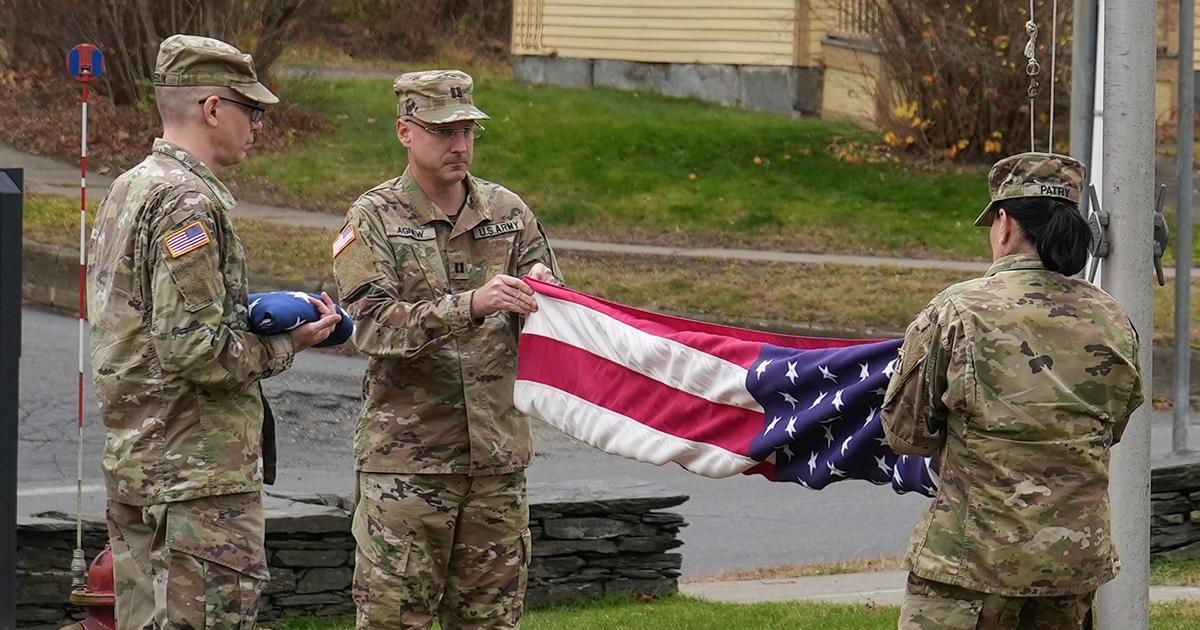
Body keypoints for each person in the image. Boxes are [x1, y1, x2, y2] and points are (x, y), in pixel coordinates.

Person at [87, 34, 342, 628]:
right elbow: (194, 352)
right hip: (194, 477)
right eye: (250, 110)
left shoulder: (129, 188)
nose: (258, 125)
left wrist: (248, 309)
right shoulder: (187, 204)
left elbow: (144, 321)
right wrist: (289, 342)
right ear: (211, 108)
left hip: (139, 466)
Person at [332, 69, 560, 629]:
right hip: (409, 467)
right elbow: (372, 327)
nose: (460, 145)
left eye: (468, 131)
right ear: (405, 132)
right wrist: (470, 306)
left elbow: (553, 315)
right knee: (394, 620)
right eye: (443, 131)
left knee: (490, 621)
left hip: (496, 465)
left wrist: (545, 290)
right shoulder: (371, 218)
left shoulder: (508, 212)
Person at [879, 152, 1145, 630]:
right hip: (1070, 569)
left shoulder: (958, 311)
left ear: (1004, 224)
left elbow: (906, 433)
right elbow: (1112, 429)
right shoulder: (1114, 320)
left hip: (971, 564)